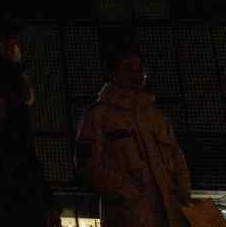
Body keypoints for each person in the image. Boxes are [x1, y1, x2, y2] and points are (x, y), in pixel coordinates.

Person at [75, 43, 191, 227]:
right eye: (128, 69)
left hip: (169, 217)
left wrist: (183, 196)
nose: (136, 75)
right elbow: (88, 167)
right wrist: (126, 193)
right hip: (129, 217)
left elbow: (178, 159)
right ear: (112, 74)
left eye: (139, 70)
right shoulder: (98, 117)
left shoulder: (156, 117)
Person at [0, 20, 62, 227]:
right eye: (12, 42)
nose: (16, 47)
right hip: (13, 193)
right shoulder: (6, 86)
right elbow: (20, 147)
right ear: (0, 45)